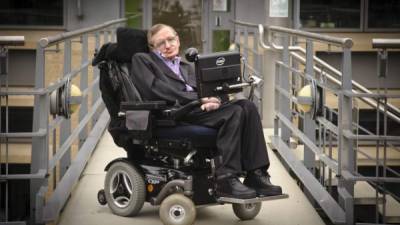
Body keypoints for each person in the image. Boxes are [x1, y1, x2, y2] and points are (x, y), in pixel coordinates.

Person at [130, 24, 282, 199]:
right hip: (174, 114)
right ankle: (226, 178)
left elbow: (211, 89)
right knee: (234, 113)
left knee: (247, 107)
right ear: (152, 48)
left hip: (200, 111)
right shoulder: (143, 60)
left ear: (178, 40)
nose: (167, 45)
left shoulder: (187, 67)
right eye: (160, 43)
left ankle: (256, 174)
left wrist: (216, 100)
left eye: (171, 39)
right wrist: (198, 100)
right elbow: (155, 90)